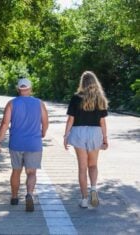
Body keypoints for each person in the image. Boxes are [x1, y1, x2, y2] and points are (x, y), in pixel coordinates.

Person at [0, 77, 49, 212]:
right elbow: (45, 121)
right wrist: (43, 132)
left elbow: (5, 124)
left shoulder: (11, 104)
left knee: (16, 171)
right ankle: (29, 194)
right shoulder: (39, 103)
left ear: (18, 89)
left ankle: (14, 197)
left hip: (16, 143)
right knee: (31, 172)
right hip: (33, 143)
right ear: (30, 89)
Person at [63, 71, 108, 208]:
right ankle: (93, 189)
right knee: (93, 165)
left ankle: (84, 199)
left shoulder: (76, 98)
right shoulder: (100, 98)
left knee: (82, 167)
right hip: (95, 132)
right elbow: (102, 122)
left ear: (82, 82)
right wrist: (105, 138)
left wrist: (66, 136)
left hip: (79, 132)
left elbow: (71, 119)